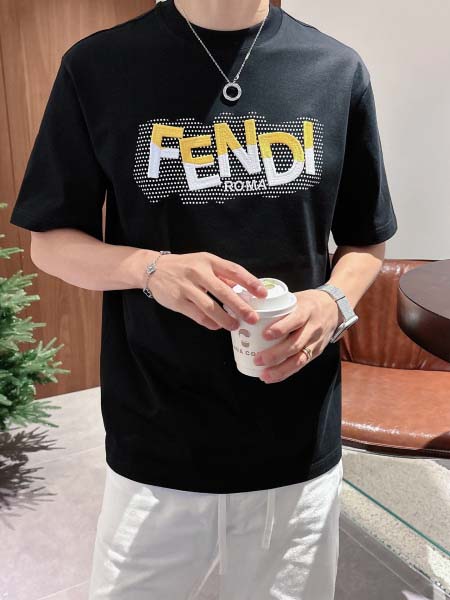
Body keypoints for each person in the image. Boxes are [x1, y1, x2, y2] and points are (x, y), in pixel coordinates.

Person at [9, 0, 398, 598]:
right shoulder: (99, 65)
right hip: (155, 437)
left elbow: (365, 239)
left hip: (293, 437)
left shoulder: (333, 68)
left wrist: (331, 304)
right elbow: (51, 243)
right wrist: (150, 269)